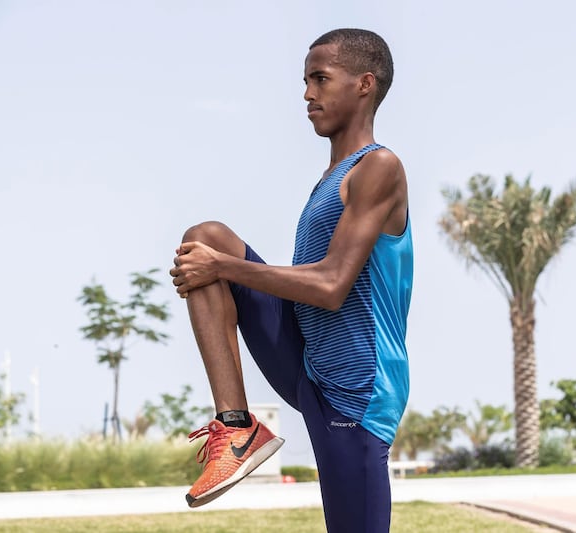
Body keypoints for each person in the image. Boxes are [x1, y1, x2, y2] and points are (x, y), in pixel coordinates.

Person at [169, 28, 413, 533]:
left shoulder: (379, 168)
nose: (307, 94)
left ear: (365, 84)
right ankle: (236, 428)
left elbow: (331, 286)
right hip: (307, 362)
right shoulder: (329, 179)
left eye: (320, 80)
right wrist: (218, 263)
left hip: (358, 388)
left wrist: (224, 269)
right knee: (206, 237)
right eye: (305, 81)